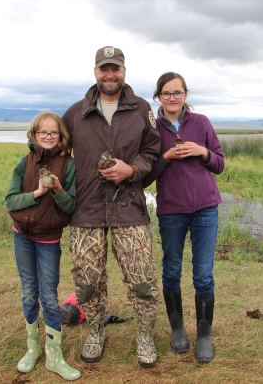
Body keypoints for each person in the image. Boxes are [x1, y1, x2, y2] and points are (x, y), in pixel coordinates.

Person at [62, 46, 162, 367]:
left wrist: (132, 170)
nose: (110, 74)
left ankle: (145, 335)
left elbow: (152, 152)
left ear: (123, 71)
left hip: (129, 208)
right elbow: (55, 151)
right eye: (104, 69)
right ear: (95, 72)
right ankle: (95, 330)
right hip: (86, 211)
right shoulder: (75, 113)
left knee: (142, 279)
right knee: (87, 281)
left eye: (115, 69)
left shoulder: (141, 109)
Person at [142, 72, 225, 363]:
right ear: (158, 97)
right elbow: (146, 175)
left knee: (203, 275)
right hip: (171, 210)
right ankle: (177, 330)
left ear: (186, 95)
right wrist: (165, 158)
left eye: (177, 93)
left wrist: (202, 152)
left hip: (206, 208)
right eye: (166, 93)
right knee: (171, 270)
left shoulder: (201, 122)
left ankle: (204, 334)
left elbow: (220, 164)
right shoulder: (151, 129)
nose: (172, 98)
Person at [5, 111, 80, 381]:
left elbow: (70, 207)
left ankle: (54, 356)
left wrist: (58, 189)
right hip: (21, 237)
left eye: (53, 133)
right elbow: (10, 202)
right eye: (42, 132)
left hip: (49, 239)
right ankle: (33, 349)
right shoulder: (24, 163)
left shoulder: (68, 165)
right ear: (34, 135)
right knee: (28, 293)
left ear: (61, 137)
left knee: (48, 296)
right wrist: (36, 194)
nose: (48, 137)